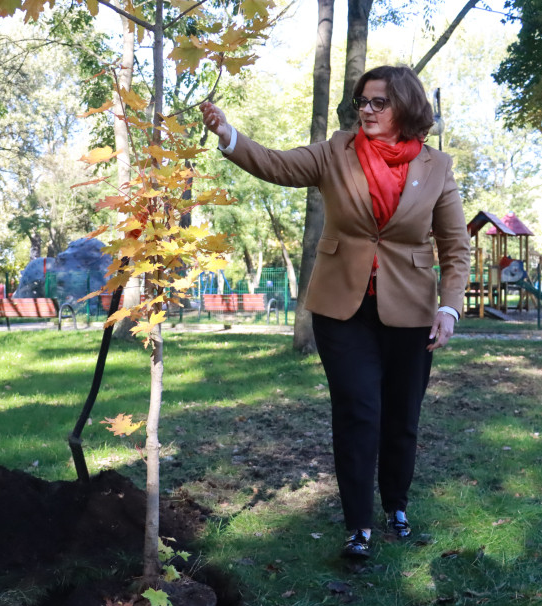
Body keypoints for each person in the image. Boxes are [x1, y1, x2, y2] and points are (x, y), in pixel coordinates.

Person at [200, 65, 470, 561]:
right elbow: (277, 165)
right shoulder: (334, 152)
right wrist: (229, 135)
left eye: (377, 103)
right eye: (361, 102)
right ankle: (358, 525)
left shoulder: (437, 166)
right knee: (357, 410)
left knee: (401, 415)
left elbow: (456, 246)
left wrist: (449, 308)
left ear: (405, 108)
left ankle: (397, 504)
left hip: (410, 311)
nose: (365, 110)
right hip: (341, 309)